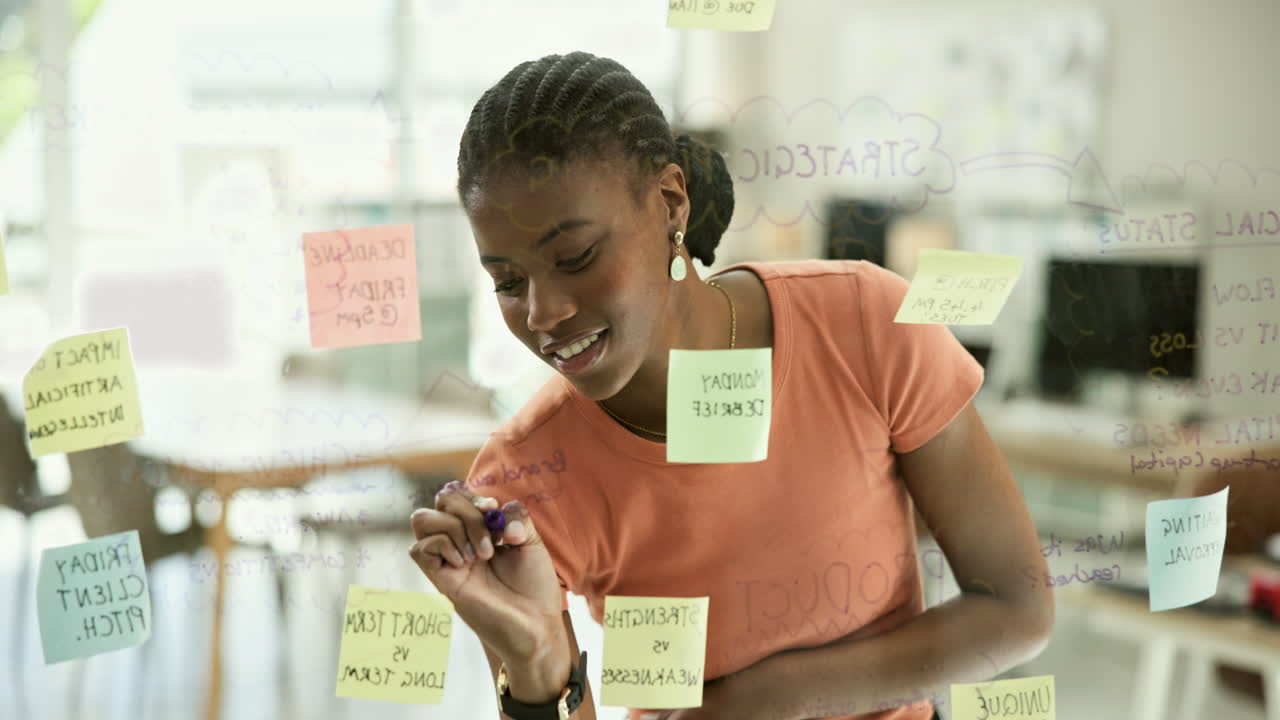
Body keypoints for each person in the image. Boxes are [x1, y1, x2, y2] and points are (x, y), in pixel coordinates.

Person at [408, 51, 1054, 720]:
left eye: (575, 258)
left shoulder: (864, 326)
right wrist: (537, 660)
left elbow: (1016, 607)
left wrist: (773, 700)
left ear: (669, 203)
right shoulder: (521, 487)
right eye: (508, 282)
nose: (542, 313)